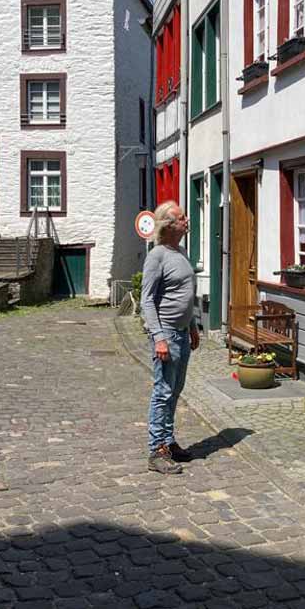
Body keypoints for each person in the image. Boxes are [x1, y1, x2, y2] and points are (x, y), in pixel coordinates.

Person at [141, 201, 201, 474]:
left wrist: (192, 326)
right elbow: (147, 301)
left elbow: (186, 295)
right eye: (181, 217)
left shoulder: (182, 252)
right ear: (168, 225)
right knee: (162, 392)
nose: (186, 220)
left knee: (175, 391)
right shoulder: (157, 256)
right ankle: (157, 451)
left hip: (182, 333)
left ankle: (168, 440)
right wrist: (159, 338)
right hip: (166, 334)